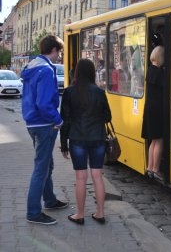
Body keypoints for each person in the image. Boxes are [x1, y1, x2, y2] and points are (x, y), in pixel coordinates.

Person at [21, 35, 69, 225]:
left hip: (32, 123)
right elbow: (44, 103)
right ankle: (33, 212)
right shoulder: (47, 70)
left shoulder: (32, 66)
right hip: (44, 124)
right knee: (41, 168)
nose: (59, 57)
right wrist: (58, 120)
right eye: (60, 52)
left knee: (46, 164)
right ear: (54, 50)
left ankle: (49, 200)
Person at [60, 58, 112, 225]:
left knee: (81, 177)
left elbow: (65, 121)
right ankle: (100, 213)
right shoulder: (99, 92)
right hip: (97, 138)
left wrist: (63, 145)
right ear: (92, 73)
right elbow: (107, 117)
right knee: (97, 175)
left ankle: (80, 214)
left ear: (76, 73)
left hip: (77, 138)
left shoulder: (69, 92)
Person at [141, 46, 165, 181]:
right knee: (159, 140)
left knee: (153, 141)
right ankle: (156, 169)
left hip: (149, 108)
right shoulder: (159, 72)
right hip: (157, 109)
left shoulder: (150, 70)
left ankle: (149, 167)